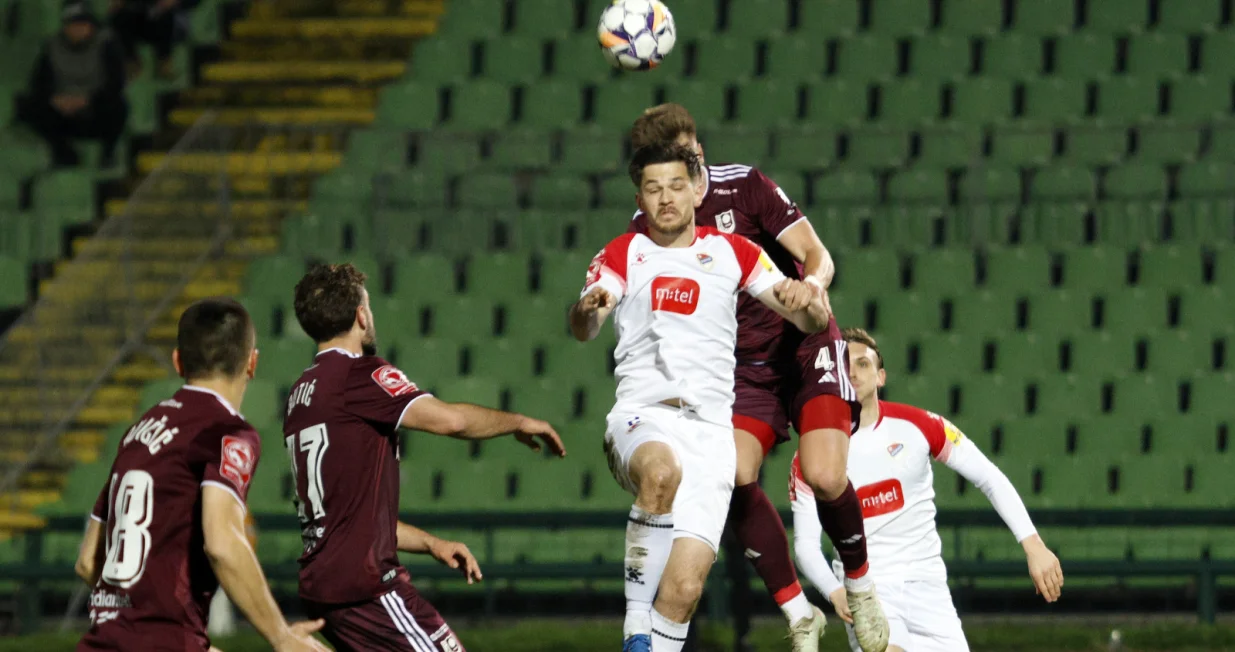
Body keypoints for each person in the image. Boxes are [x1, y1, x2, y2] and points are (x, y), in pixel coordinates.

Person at [624, 104, 888, 652]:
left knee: (824, 476)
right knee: (735, 477)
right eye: (679, 160)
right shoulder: (648, 233)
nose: (694, 166)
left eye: (695, 153)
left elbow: (818, 255)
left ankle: (859, 588)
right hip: (741, 370)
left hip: (804, 343)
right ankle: (799, 612)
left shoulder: (744, 187)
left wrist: (810, 286)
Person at [570, 143, 831, 652]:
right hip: (643, 420)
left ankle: (654, 637)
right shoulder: (624, 252)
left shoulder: (735, 252)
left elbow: (805, 317)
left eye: (675, 185)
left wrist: (809, 302)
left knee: (685, 590)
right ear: (639, 198)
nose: (665, 197)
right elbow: (586, 325)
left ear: (695, 189)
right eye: (652, 188)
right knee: (660, 473)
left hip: (712, 436)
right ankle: (635, 627)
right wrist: (587, 309)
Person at [284, 263, 567, 652]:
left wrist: (432, 543)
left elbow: (350, 518)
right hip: (366, 588)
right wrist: (516, 421)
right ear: (360, 316)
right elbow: (450, 421)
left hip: (324, 586)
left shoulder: (300, 394)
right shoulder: (360, 375)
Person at [74, 297, 327, 652]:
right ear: (252, 363)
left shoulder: (138, 432)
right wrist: (281, 636)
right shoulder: (227, 431)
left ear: (178, 361)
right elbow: (222, 544)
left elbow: (88, 562)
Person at [790, 328, 1065, 652]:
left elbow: (988, 476)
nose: (852, 370)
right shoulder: (813, 455)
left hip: (928, 585)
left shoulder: (920, 426)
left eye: (863, 364)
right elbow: (805, 545)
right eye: (845, 364)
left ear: (881, 377)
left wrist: (1034, 546)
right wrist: (835, 591)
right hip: (868, 592)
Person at [18, 2, 128, 168]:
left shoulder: (107, 44)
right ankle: (63, 152)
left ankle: (108, 154)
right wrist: (56, 99)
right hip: (62, 108)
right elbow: (38, 83)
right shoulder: (52, 45)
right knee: (27, 105)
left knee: (119, 106)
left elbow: (116, 83)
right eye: (73, 24)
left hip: (94, 109)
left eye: (82, 24)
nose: (78, 29)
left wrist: (87, 100)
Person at [109, 0, 198, 78]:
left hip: (172, 20)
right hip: (144, 17)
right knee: (119, 17)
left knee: (164, 14)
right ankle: (131, 61)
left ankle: (164, 61)